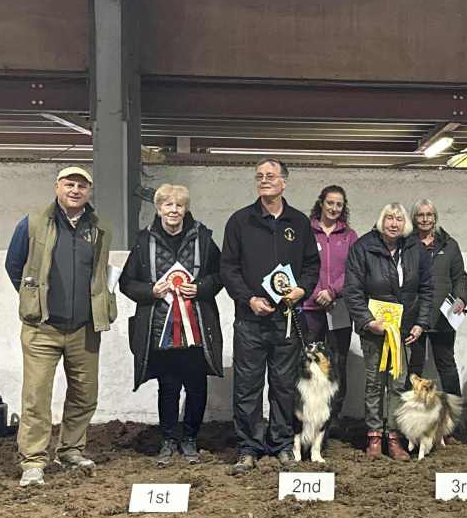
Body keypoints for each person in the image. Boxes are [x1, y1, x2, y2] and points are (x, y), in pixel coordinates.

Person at [4, 166, 117, 487]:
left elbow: (100, 272)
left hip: (85, 328)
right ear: (57, 187)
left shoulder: (100, 228)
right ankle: (33, 462)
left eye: (82, 185)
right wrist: (34, 297)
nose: (75, 190)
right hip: (42, 328)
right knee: (36, 396)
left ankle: (70, 451)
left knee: (85, 394)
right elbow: (14, 265)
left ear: (89, 191)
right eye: (70, 184)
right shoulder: (32, 223)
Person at [220, 160, 320, 475]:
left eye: (271, 176)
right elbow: (228, 268)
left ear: (283, 182)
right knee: (247, 386)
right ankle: (248, 447)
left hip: (286, 320)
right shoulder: (239, 221)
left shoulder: (299, 223)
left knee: (284, 386)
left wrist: (302, 289)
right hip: (250, 321)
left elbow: (312, 265)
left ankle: (281, 444)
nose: (264, 180)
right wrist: (248, 299)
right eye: (260, 176)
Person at [119, 184, 223, 467]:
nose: (174, 210)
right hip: (159, 329)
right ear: (158, 208)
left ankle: (189, 438)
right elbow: (127, 283)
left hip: (196, 328)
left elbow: (220, 275)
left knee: (197, 386)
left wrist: (200, 288)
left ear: (186, 209)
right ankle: (168, 439)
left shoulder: (204, 239)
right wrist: (151, 291)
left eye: (179, 205)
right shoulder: (143, 241)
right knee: (168, 386)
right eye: (168, 205)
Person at [343, 203, 432, 460]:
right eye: (389, 218)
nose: (394, 223)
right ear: (381, 221)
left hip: (404, 330)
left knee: (398, 384)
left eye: (399, 219)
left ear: (406, 224)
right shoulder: (362, 247)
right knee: (374, 383)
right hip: (373, 330)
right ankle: (373, 436)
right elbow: (352, 290)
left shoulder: (416, 249)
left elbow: (427, 289)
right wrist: (368, 321)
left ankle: (394, 437)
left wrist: (420, 323)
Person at [303, 185, 358, 427]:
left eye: (339, 204)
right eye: (330, 203)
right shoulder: (305, 232)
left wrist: (333, 291)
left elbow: (354, 269)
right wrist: (316, 292)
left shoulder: (350, 236)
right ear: (321, 203)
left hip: (339, 308)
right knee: (310, 361)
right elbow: (300, 265)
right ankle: (309, 414)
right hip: (309, 307)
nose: (334, 208)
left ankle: (333, 417)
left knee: (338, 361)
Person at [408, 199, 467, 397]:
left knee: (446, 364)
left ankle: (455, 412)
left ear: (435, 218)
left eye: (429, 215)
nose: (425, 219)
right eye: (420, 215)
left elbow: (460, 277)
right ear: (414, 218)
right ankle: (410, 412)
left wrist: (461, 298)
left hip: (443, 316)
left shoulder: (450, 245)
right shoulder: (406, 244)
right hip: (414, 315)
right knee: (413, 366)